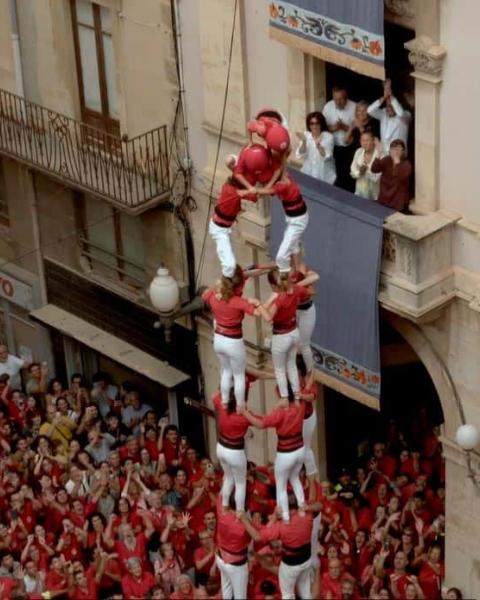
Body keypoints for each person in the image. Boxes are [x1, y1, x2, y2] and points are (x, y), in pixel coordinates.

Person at [202, 267, 270, 410]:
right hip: (234, 340)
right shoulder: (238, 302)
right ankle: (240, 407)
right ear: (237, 286)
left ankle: (225, 402)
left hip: (219, 339)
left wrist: (215, 287)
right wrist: (257, 303)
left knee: (226, 371)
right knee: (239, 375)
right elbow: (259, 314)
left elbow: (204, 295)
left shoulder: (214, 297)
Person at [242, 386, 308, 523]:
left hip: (286, 453)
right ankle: (302, 508)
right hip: (300, 449)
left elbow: (261, 424)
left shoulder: (280, 412)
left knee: (281, 487)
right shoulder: (300, 404)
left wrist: (244, 412)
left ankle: (286, 518)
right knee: (295, 478)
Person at [241, 495, 316, 600]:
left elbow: (258, 537)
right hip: (306, 561)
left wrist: (244, 520)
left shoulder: (281, 526)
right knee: (305, 592)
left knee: (288, 595)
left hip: (291, 565)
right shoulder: (308, 516)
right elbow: (318, 505)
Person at [263, 268, 318, 403]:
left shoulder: (279, 299)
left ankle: (285, 399)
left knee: (280, 370)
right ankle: (297, 396)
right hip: (294, 333)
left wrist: (265, 302)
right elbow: (311, 291)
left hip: (281, 336)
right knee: (291, 365)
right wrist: (301, 284)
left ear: (273, 285)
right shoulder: (296, 290)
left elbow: (267, 317)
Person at [209, 176, 265, 278]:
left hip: (223, 228)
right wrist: (264, 188)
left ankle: (230, 278)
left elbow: (253, 196)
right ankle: (227, 283)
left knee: (229, 261)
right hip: (219, 230)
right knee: (229, 264)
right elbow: (254, 197)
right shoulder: (232, 190)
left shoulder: (231, 188)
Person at [213, 386, 250, 514]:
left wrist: (223, 386)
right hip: (235, 451)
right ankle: (240, 511)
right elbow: (261, 422)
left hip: (221, 448)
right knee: (240, 483)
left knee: (229, 478)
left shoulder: (223, 407)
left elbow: (214, 396)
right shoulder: (244, 417)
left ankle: (224, 507)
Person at [267, 173, 309, 274]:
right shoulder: (280, 183)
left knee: (281, 256)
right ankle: (289, 275)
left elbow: (268, 190)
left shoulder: (284, 184)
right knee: (291, 245)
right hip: (293, 218)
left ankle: (284, 280)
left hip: (297, 220)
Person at [215, 492, 252, 600]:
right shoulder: (244, 525)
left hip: (221, 559)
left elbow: (221, 493)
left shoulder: (221, 511)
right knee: (240, 597)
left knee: (226, 591)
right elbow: (256, 536)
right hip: (236, 565)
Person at [322, 85, 357, 191]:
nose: (337, 102)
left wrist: (344, 127)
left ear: (346, 97)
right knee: (336, 174)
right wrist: (335, 128)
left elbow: (358, 130)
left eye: (340, 99)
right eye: (335, 99)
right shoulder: (328, 106)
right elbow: (323, 128)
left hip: (350, 147)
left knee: (350, 174)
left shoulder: (354, 107)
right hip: (334, 147)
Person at [291, 254, 318, 377]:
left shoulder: (304, 270)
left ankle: (310, 372)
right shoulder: (284, 270)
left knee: (304, 343)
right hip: (294, 309)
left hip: (306, 309)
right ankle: (295, 368)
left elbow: (312, 290)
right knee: (293, 341)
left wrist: (297, 288)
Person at [367, 80, 411, 154]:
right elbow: (369, 110)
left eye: (391, 106)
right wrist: (384, 97)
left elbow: (400, 114)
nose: (389, 108)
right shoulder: (383, 113)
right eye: (387, 106)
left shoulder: (406, 115)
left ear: (398, 104)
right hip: (384, 154)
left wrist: (390, 95)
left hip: (398, 156)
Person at [371, 139, 412, 212]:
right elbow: (374, 169)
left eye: (398, 149)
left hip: (397, 203)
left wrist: (397, 161)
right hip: (384, 199)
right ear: (389, 151)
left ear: (403, 151)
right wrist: (378, 153)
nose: (395, 152)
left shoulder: (406, 164)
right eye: (393, 149)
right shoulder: (387, 160)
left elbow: (401, 176)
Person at [295, 111, 336, 184]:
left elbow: (327, 157)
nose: (314, 126)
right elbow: (301, 154)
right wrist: (304, 141)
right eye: (312, 123)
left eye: (317, 123)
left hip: (324, 175)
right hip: (308, 173)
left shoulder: (328, 137)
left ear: (321, 124)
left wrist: (319, 146)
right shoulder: (306, 135)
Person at [350, 131, 383, 200]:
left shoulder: (380, 155)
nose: (365, 143)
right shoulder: (358, 152)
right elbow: (352, 171)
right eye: (362, 140)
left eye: (367, 140)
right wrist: (359, 173)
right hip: (360, 193)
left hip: (375, 195)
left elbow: (377, 178)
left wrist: (366, 171)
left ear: (373, 141)